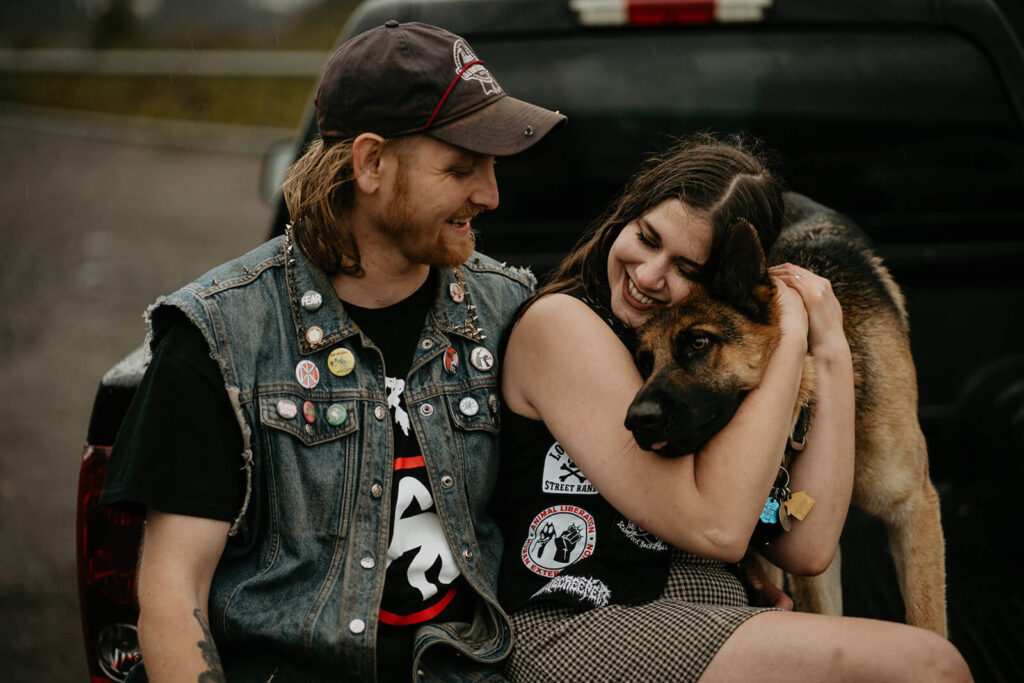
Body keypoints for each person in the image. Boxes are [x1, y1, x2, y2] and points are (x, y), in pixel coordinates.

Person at [100, 21, 566, 682]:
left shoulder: (515, 313)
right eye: (462, 166)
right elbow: (173, 595)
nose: (490, 194)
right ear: (371, 163)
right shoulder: (220, 334)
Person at [491, 136, 972, 681]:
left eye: (686, 268)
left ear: (721, 285)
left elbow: (807, 543)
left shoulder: (680, 353)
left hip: (696, 603)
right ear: (624, 216)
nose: (648, 275)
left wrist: (831, 350)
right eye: (646, 238)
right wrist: (788, 332)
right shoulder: (565, 324)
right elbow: (720, 529)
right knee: (930, 665)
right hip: (586, 616)